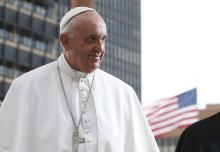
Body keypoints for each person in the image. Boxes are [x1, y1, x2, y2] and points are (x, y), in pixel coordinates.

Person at [0, 7, 159, 152]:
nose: (100, 48)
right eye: (91, 39)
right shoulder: (26, 88)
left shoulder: (124, 94)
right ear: (66, 41)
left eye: (103, 39)